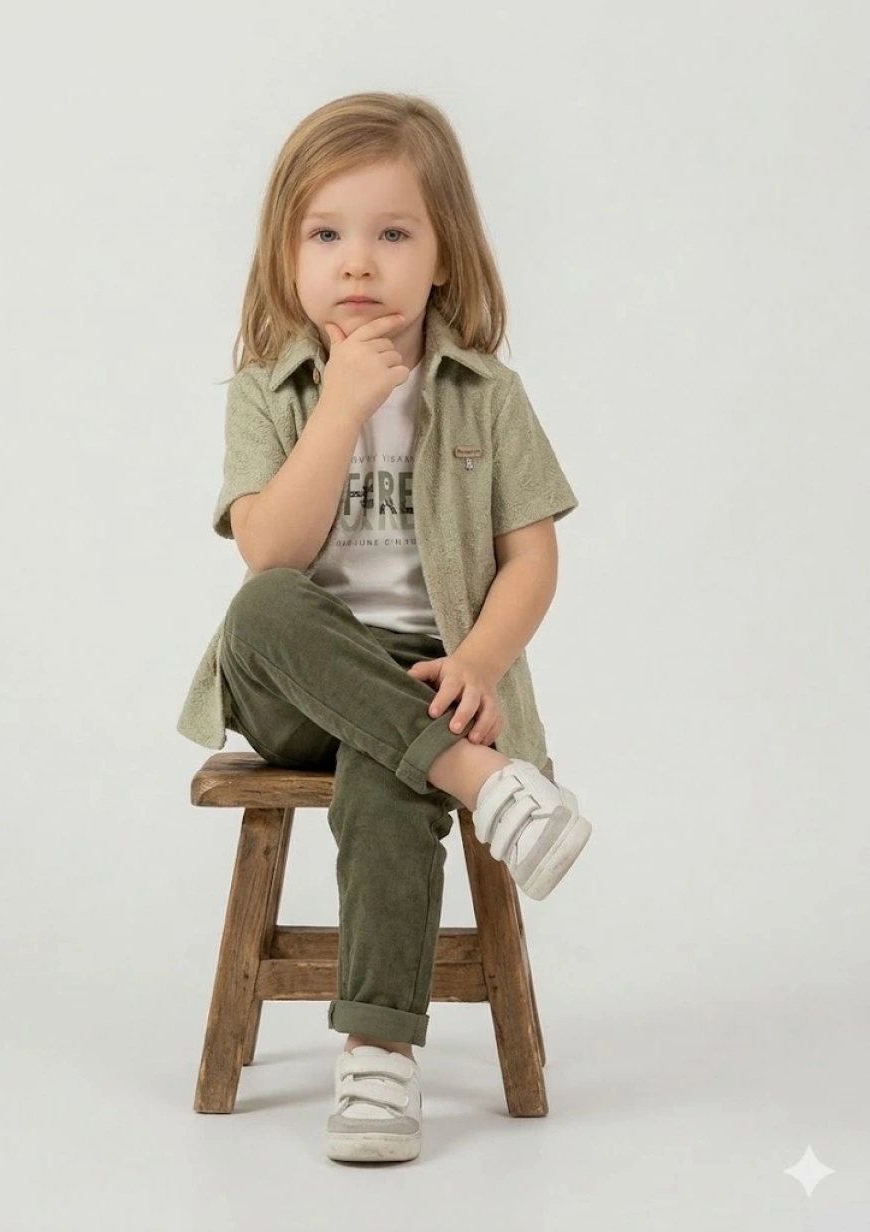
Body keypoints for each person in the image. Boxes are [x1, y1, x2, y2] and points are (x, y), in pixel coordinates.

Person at [176, 91, 593, 1163]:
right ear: (287, 255)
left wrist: (480, 661)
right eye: (325, 235)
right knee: (264, 604)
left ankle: (378, 1054)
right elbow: (270, 552)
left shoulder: (487, 395)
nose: (357, 262)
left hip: (431, 680)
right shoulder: (270, 391)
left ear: (444, 255)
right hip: (293, 678)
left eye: (393, 234)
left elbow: (531, 558)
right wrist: (342, 408)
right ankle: (481, 782)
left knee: (389, 765)